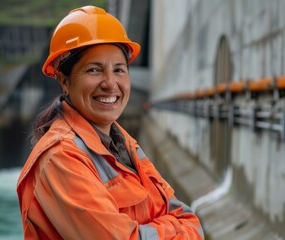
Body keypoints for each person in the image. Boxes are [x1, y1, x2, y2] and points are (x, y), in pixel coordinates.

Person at [16, 5, 204, 240]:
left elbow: (191, 220)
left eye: (119, 70)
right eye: (94, 70)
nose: (110, 83)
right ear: (64, 81)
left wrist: (163, 228)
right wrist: (174, 227)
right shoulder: (61, 158)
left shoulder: (123, 143)